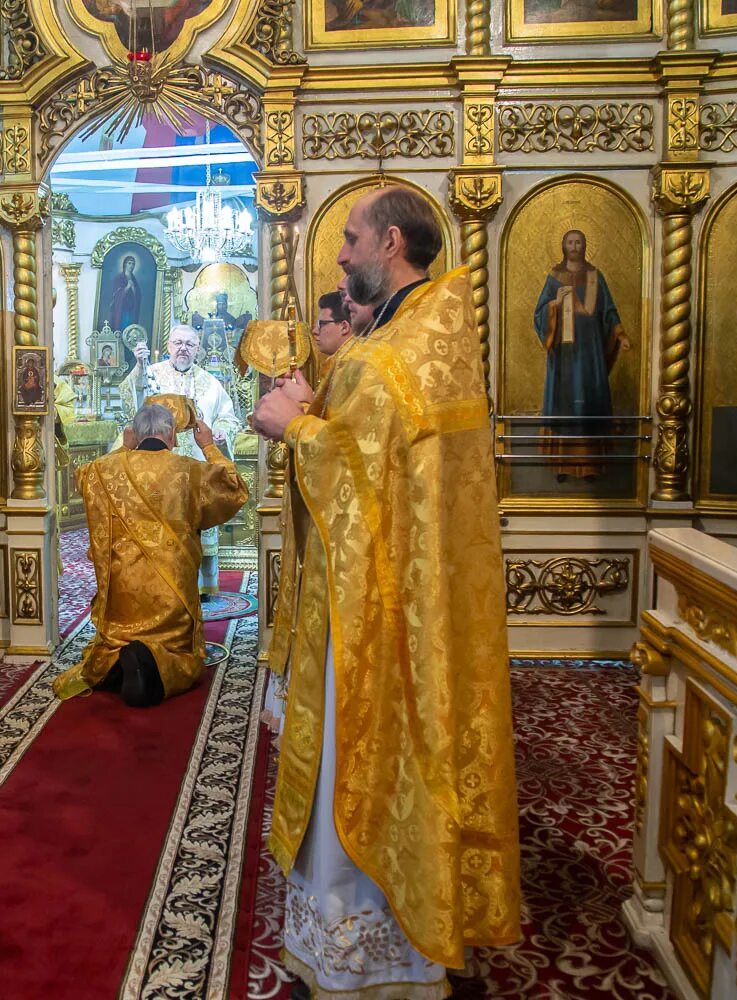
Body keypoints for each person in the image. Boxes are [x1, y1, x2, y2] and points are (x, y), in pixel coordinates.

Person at [251, 186, 521, 998]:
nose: (339, 254)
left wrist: (292, 426)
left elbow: (358, 490)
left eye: (350, 238)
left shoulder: (380, 358)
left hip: (371, 604)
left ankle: (362, 951)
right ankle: (421, 936)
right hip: (430, 597)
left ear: (391, 243)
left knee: (355, 758)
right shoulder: (438, 333)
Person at [54, 403, 248, 708]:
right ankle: (152, 663)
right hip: (173, 599)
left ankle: (119, 659)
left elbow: (84, 478)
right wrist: (208, 445)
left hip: (122, 600)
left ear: (135, 434)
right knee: (184, 659)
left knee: (114, 640)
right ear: (171, 434)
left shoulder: (105, 471)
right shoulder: (189, 471)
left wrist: (123, 447)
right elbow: (234, 488)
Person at [121, 324, 243, 596]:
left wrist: (222, 430)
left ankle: (203, 589)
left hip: (198, 470)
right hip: (159, 470)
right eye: (177, 343)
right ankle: (163, 586)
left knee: (199, 525)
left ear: (198, 348)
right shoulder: (151, 374)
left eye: (189, 344)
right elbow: (132, 403)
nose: (183, 349)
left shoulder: (210, 382)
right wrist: (139, 368)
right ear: (168, 346)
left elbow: (227, 414)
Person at [533, 228, 631, 481]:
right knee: (564, 404)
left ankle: (590, 466)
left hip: (590, 353)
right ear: (563, 246)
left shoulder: (595, 276)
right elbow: (540, 311)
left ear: (584, 245)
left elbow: (608, 309)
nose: (574, 246)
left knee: (589, 400)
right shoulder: (555, 276)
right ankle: (563, 465)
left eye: (578, 242)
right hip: (565, 353)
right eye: (570, 242)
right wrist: (553, 306)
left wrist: (619, 333)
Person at [106, 254, 141, 332]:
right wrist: (127, 287)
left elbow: (137, 295)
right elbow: (116, 294)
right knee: (122, 326)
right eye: (129, 263)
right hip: (122, 309)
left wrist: (133, 289)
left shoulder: (134, 279)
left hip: (131, 308)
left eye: (133, 264)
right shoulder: (119, 277)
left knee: (130, 328)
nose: (131, 266)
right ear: (125, 264)